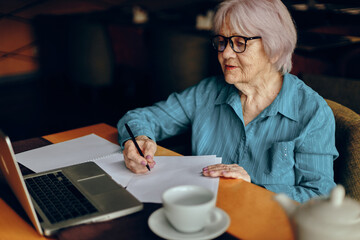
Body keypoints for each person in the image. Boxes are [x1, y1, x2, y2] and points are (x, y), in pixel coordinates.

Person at [117, 0, 338, 203]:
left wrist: (254, 188)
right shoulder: (207, 93)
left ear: (275, 49)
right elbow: (138, 118)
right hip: (202, 216)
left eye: (240, 42)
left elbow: (320, 196)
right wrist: (138, 139)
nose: (226, 54)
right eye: (222, 42)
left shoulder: (312, 113)